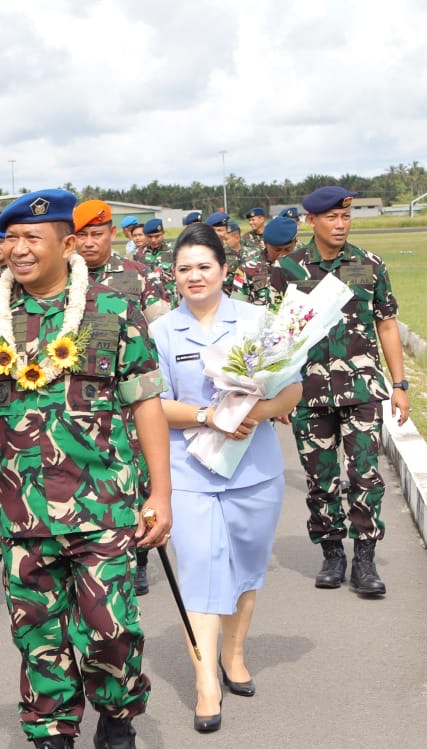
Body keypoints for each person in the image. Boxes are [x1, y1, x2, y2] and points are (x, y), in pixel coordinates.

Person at [0, 189, 172, 749]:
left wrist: (161, 494)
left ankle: (116, 719)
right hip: (20, 514)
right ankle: (51, 735)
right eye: (10, 238)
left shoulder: (110, 312)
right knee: (38, 639)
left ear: (67, 244)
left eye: (31, 238)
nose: (17, 250)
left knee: (110, 632)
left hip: (103, 508)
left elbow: (145, 403)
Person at [149, 223, 302, 733]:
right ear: (173, 276)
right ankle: (205, 683)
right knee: (201, 568)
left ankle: (233, 657)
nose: (195, 276)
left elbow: (291, 391)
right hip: (189, 472)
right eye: (184, 269)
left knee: (245, 567)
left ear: (224, 270)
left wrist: (257, 412)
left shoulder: (258, 321)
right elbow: (152, 406)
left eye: (204, 267)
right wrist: (206, 417)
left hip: (254, 470)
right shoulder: (162, 331)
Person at [270, 185, 409, 597]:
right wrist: (275, 391)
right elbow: (275, 336)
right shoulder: (288, 270)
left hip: (363, 389)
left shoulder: (369, 264)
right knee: (320, 477)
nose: (341, 224)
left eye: (346, 217)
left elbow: (386, 323)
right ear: (311, 221)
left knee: (365, 474)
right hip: (308, 392)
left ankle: (365, 557)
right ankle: (332, 552)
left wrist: (399, 385)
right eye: (332, 217)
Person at [73, 200, 171, 598]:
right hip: (86, 402)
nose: (90, 243)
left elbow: (164, 334)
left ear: (112, 233)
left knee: (139, 475)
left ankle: (140, 555)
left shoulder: (139, 276)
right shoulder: (62, 280)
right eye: (82, 235)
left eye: (97, 234)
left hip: (132, 397)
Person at [237, 216, 299, 307]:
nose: (282, 255)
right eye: (277, 250)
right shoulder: (245, 269)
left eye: (287, 249)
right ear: (265, 244)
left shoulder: (304, 264)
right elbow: (237, 303)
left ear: (295, 242)